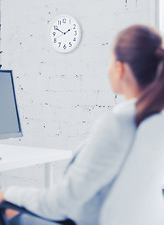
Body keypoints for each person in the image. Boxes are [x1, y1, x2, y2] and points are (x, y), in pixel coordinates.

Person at [0, 24, 164, 225]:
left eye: (109, 61)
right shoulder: (155, 123)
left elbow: (60, 204)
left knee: (7, 212)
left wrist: (8, 192)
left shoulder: (117, 125)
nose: (107, 68)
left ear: (119, 68)